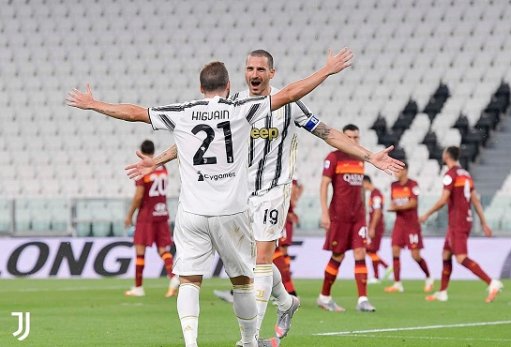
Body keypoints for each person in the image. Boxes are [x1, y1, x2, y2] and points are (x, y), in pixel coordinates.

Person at [67, 48, 355, 347]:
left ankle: (193, 344)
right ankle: (250, 339)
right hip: (232, 210)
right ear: (229, 86)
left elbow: (134, 112)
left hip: (193, 212)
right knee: (246, 280)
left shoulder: (183, 112)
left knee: (190, 280)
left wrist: (94, 104)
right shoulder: (240, 110)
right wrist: (326, 70)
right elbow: (289, 95)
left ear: (200, 87)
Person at [127, 50, 405, 342]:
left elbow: (327, 133)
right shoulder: (232, 105)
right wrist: (157, 160)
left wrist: (369, 156)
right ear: (243, 74)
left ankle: (253, 338)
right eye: (250, 68)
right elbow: (195, 141)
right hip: (239, 195)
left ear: (271, 73)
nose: (255, 74)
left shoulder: (289, 105)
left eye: (261, 69)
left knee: (259, 260)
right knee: (253, 263)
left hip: (274, 190)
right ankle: (285, 302)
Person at [419, 146, 503, 303]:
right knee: (446, 254)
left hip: (458, 221)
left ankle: (492, 283)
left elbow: (443, 200)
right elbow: (475, 200)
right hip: (464, 220)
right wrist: (484, 222)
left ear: (446, 156)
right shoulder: (465, 174)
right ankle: (443, 292)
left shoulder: (449, 175)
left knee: (461, 258)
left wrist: (426, 214)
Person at [318, 124, 376, 313]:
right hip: (339, 216)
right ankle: (324, 297)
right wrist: (325, 212)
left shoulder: (361, 158)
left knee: (360, 253)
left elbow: (360, 191)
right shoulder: (333, 157)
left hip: (358, 216)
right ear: (342, 138)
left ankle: (363, 300)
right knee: (338, 255)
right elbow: (324, 185)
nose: (353, 141)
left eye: (356, 138)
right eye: (349, 137)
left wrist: (365, 214)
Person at [123, 139, 179, 298]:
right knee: (163, 250)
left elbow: (139, 195)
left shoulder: (144, 171)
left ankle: (138, 287)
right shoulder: (162, 168)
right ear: (154, 152)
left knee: (140, 250)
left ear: (141, 151)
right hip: (161, 213)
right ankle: (173, 277)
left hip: (147, 215)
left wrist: (130, 215)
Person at [385, 162, 433, 293]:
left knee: (415, 256)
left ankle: (429, 277)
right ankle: (397, 283)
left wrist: (397, 207)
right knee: (395, 251)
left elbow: (413, 203)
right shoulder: (393, 186)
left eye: (398, 170)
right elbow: (394, 201)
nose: (395, 173)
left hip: (412, 225)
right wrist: (393, 207)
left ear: (405, 171)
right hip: (399, 224)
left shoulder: (413, 184)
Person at [272, 177, 302, 296]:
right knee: (278, 252)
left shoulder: (286, 172)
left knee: (277, 251)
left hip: (277, 216)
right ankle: (288, 290)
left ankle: (288, 290)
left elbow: (293, 189)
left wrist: (288, 210)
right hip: (279, 215)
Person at [362, 175, 389, 284]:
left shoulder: (376, 194)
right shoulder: (373, 194)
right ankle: (384, 267)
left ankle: (378, 275)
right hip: (375, 226)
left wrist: (372, 227)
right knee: (370, 250)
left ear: (366, 182)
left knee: (371, 250)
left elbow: (377, 212)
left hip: (377, 227)